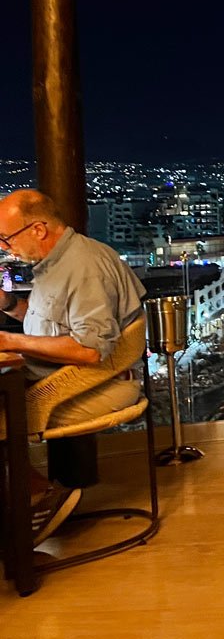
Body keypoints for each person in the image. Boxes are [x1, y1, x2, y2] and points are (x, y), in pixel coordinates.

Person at [0, 189, 146, 546]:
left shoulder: (83, 268)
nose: (5, 248)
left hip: (98, 384)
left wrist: (11, 342)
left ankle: (35, 499)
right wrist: (7, 304)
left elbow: (90, 350)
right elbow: (52, 326)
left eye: (6, 238)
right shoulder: (59, 263)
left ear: (38, 229)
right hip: (59, 378)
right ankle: (28, 503)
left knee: (1, 417)